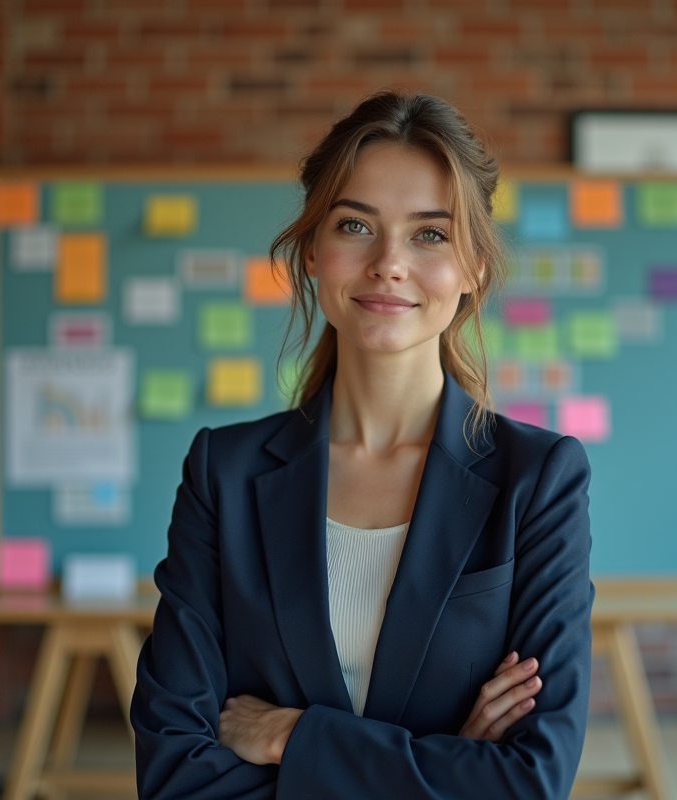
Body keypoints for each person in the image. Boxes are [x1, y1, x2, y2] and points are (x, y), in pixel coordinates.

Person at [131, 90, 594, 800]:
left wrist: (294, 737)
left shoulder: (538, 480)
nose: (389, 263)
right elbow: (175, 776)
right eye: (355, 225)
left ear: (473, 267)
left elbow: (529, 783)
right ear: (314, 250)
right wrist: (439, 764)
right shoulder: (222, 473)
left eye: (430, 234)